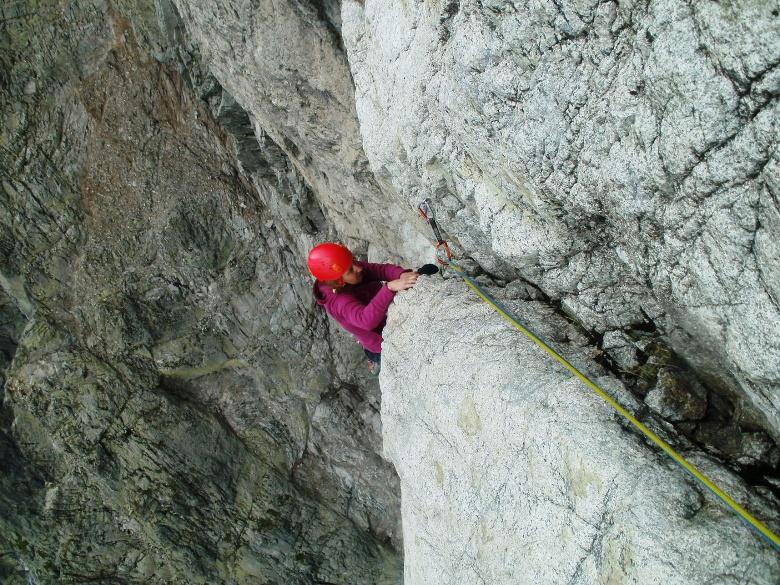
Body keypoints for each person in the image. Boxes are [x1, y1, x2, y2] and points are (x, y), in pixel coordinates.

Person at [308, 242, 420, 375]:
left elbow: (379, 270)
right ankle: (375, 360)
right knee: (376, 351)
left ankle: (369, 353)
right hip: (379, 341)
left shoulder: (345, 269)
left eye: (353, 260)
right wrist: (389, 288)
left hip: (375, 312)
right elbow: (365, 320)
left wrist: (401, 275)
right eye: (350, 269)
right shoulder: (339, 301)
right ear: (339, 282)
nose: (358, 268)